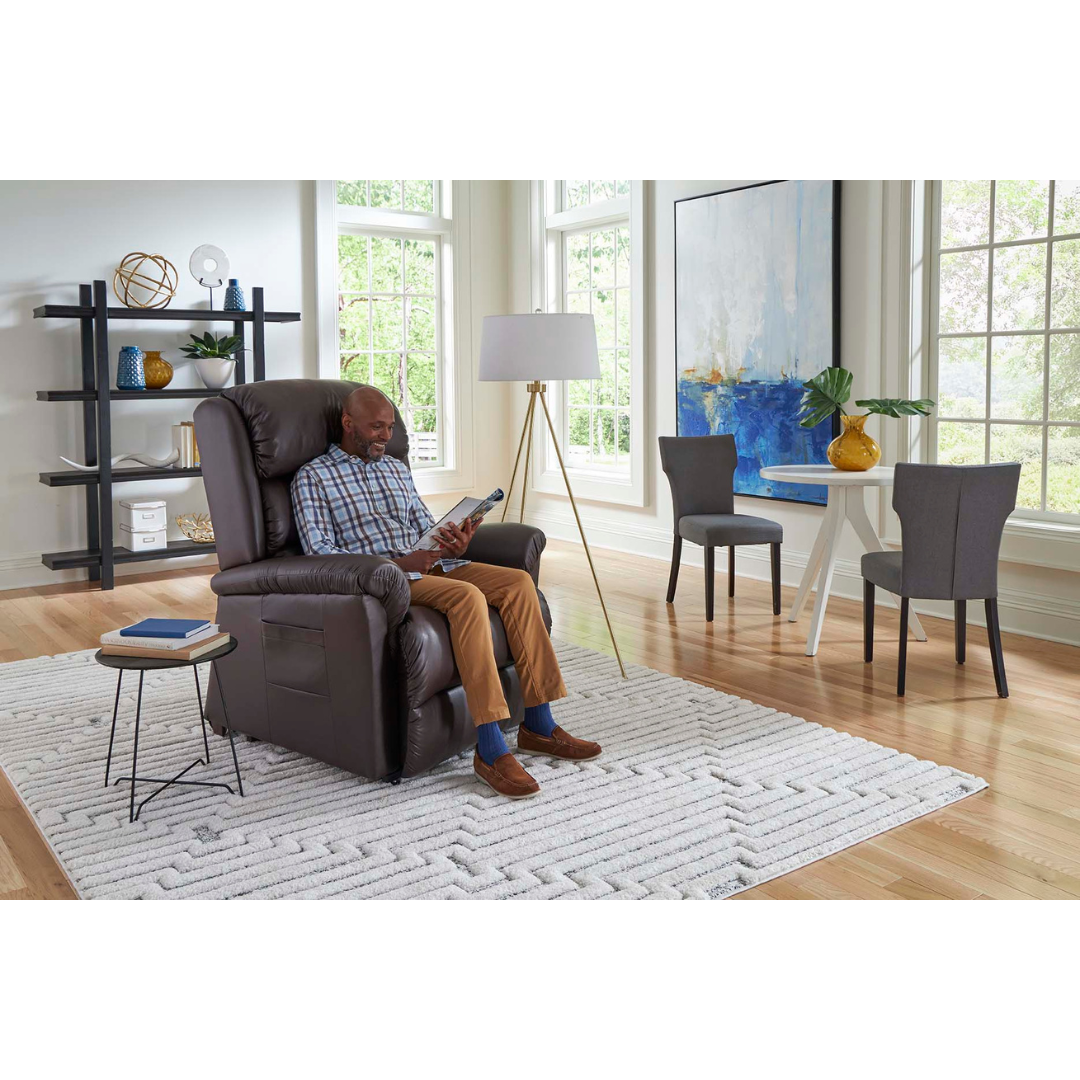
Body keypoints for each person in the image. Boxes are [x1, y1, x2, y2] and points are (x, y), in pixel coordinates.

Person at [290, 386, 600, 799]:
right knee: (467, 597)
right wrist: (400, 563)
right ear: (348, 424)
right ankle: (490, 747)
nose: (386, 436)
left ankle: (539, 724)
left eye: (391, 427)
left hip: (430, 564)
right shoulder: (313, 476)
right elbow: (319, 552)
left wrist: (453, 542)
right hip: (385, 577)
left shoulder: (395, 468)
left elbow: (424, 525)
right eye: (376, 427)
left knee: (517, 583)